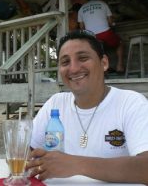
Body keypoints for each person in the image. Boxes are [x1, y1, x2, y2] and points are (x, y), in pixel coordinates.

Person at [26, 30, 148, 184]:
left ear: (104, 63)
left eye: (83, 58)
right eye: (65, 62)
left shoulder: (130, 103)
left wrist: (75, 164)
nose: (74, 68)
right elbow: (26, 152)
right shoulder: (56, 103)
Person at [78, 0, 125, 73]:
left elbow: (82, 28)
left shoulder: (81, 9)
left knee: (99, 48)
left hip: (91, 36)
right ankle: (119, 66)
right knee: (120, 43)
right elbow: (110, 22)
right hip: (105, 33)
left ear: (87, 0)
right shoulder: (103, 4)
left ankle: (104, 69)